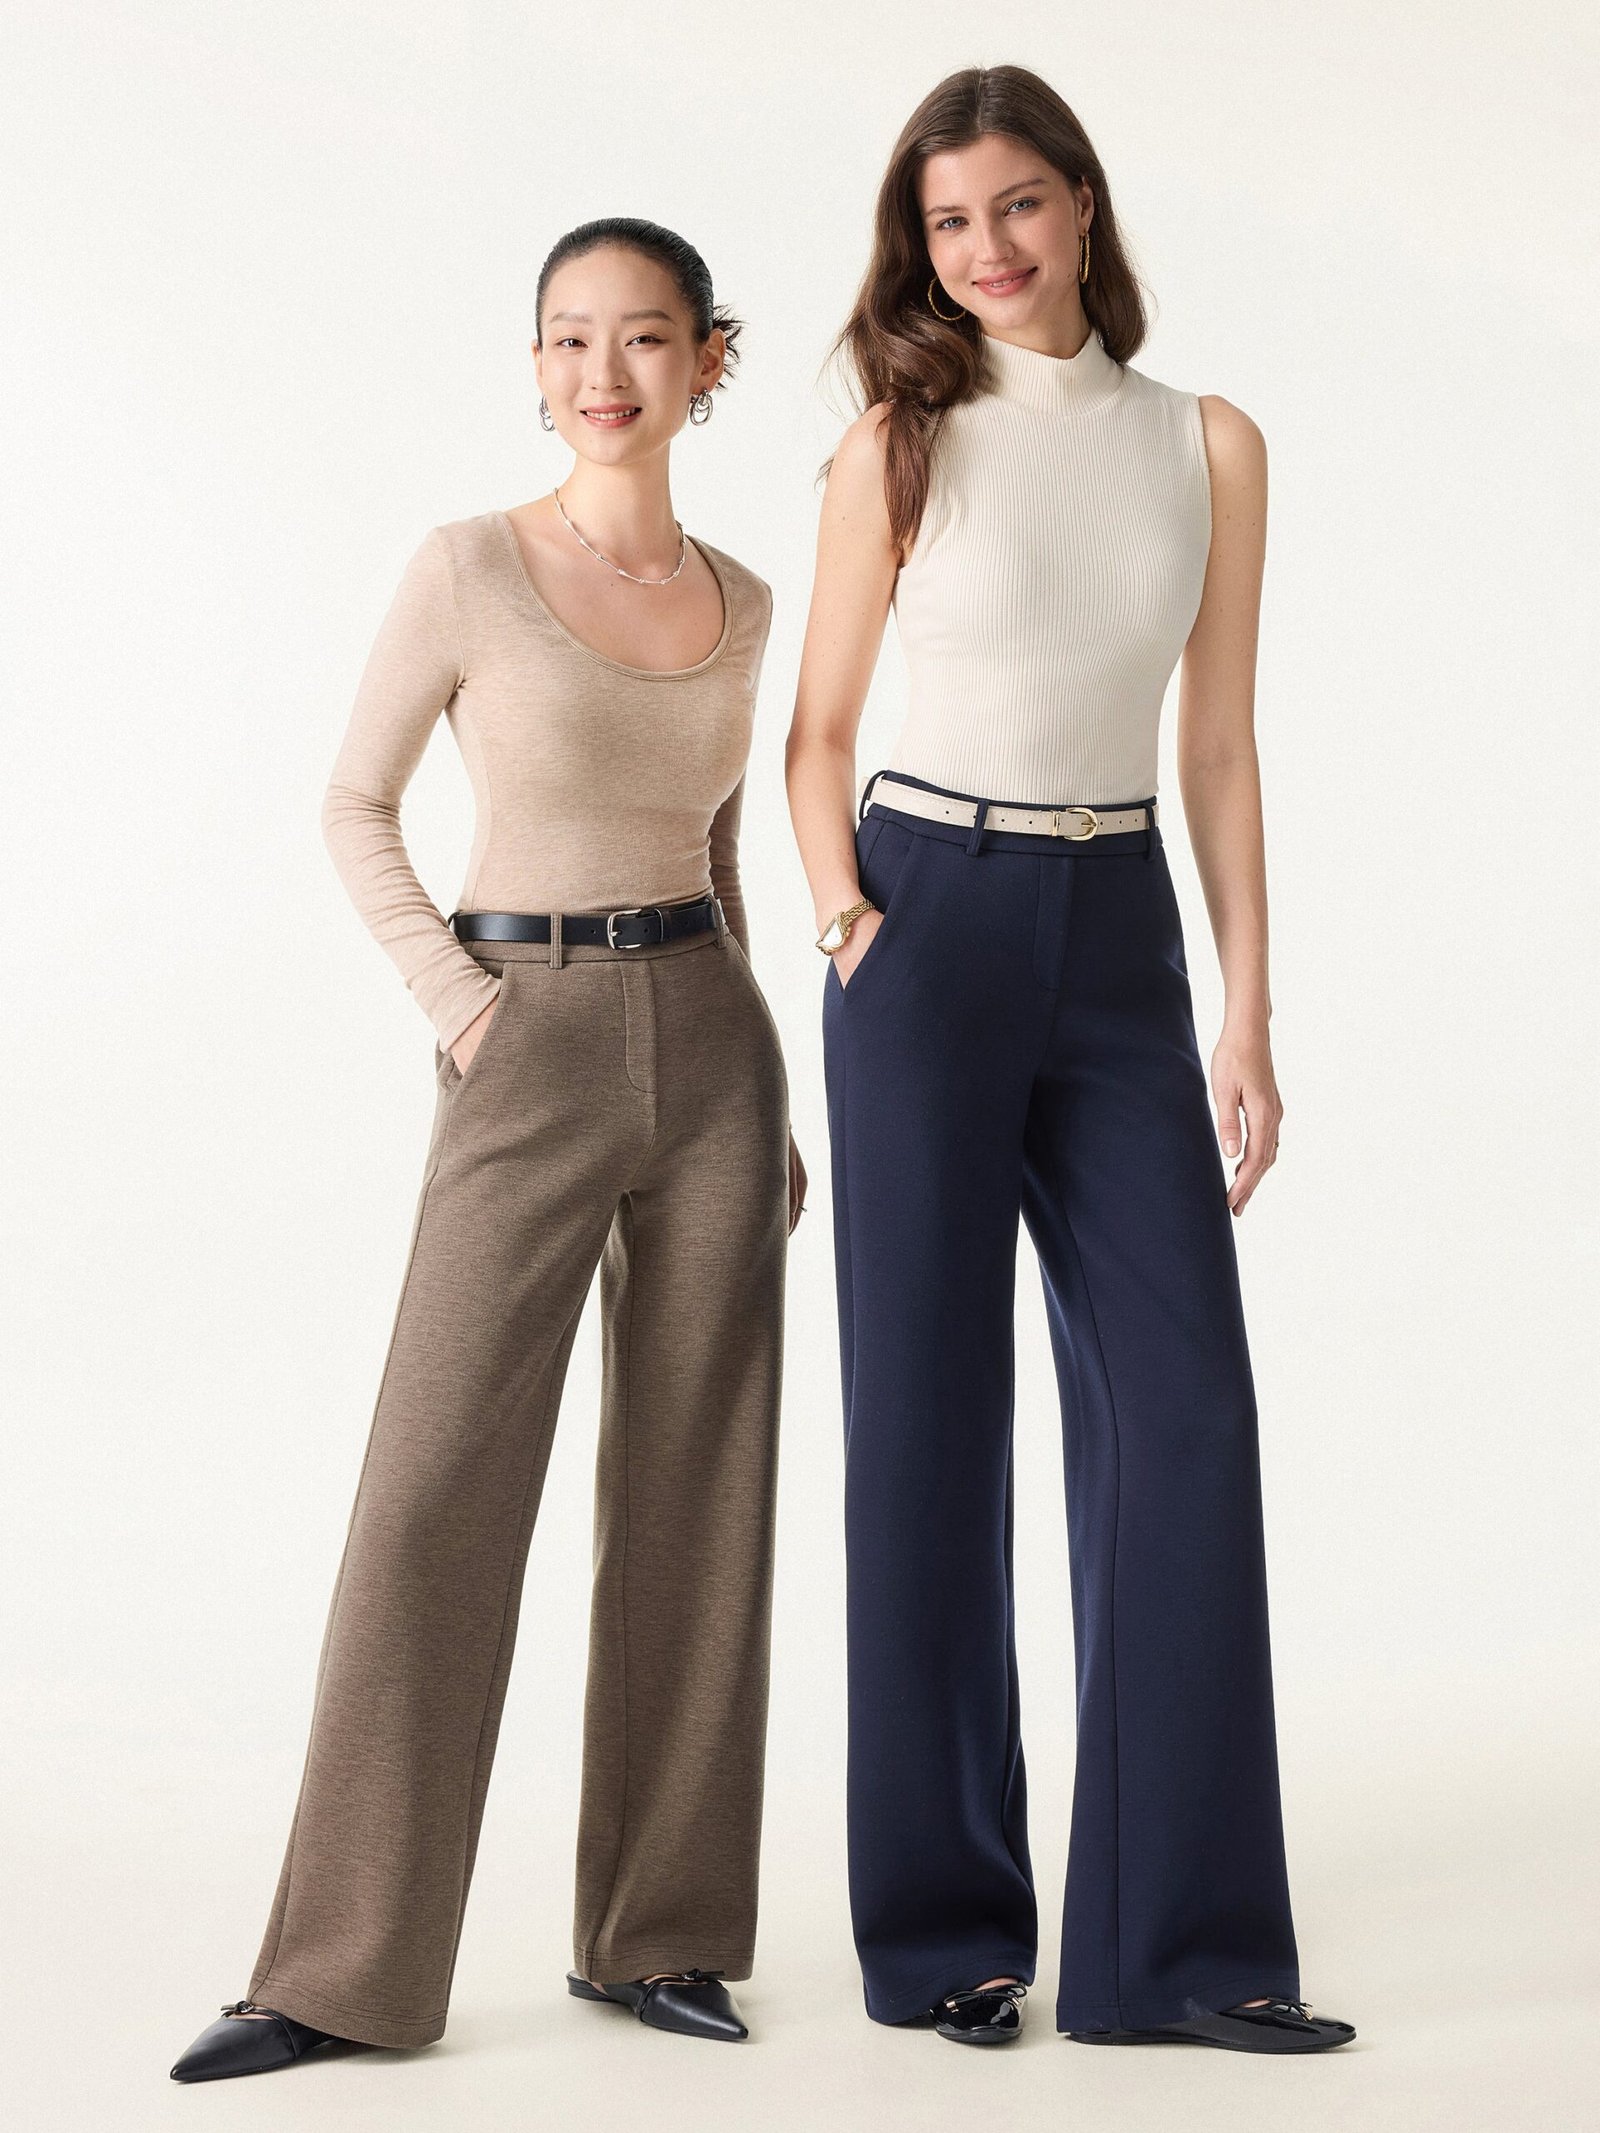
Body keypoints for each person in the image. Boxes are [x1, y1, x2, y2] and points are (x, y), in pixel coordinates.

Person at [172, 217, 800, 2084]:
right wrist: (462, 1008)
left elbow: (714, 847)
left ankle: (661, 1934)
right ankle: (341, 1969)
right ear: (536, 366)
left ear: (707, 363)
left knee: (702, 1490)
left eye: (645, 337)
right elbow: (352, 804)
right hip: (520, 1031)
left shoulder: (747, 599)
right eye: (570, 338)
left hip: (712, 1043)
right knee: (433, 1489)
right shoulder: (467, 567)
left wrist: (770, 1092)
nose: (604, 372)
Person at [785, 65, 1354, 2055]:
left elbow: (1218, 744)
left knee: (1182, 1410)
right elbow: (815, 734)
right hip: (924, 918)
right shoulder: (898, 443)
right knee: (924, 1428)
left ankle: (1179, 1949)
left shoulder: (1207, 443)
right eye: (949, 222)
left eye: (1018, 205)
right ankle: (946, 1932)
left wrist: (1245, 1005)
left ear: (1083, 205)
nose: (988, 249)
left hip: (1118, 928)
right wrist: (850, 925)